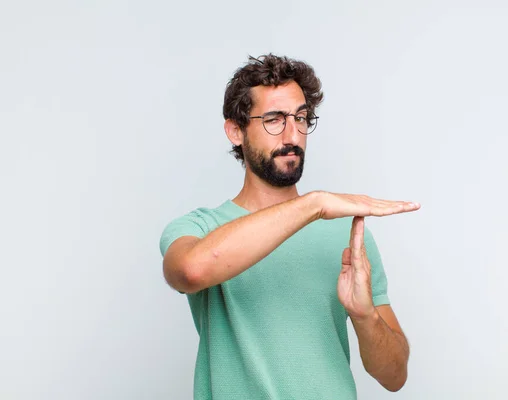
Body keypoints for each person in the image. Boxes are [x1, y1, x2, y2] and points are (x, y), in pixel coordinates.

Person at [159, 54, 420, 400]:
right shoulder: (200, 227)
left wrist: (365, 315)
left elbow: (395, 375)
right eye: (274, 120)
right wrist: (313, 205)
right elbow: (188, 271)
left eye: (301, 118)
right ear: (236, 130)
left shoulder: (348, 237)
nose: (293, 134)